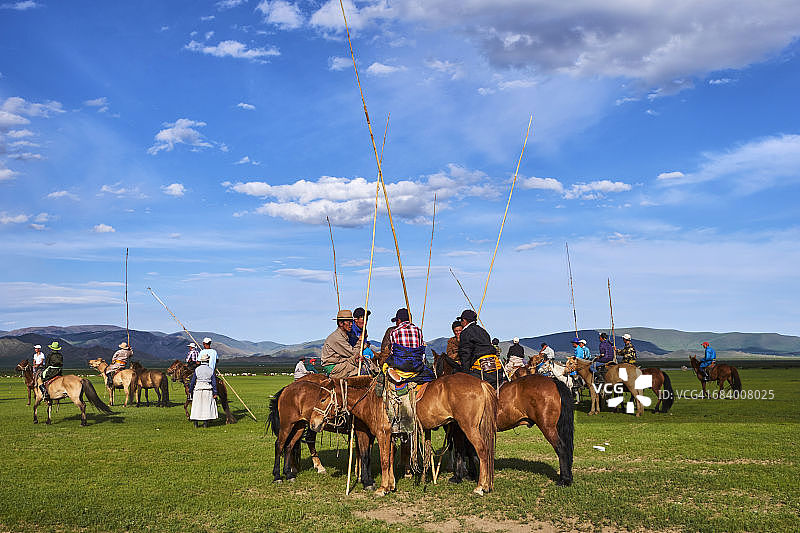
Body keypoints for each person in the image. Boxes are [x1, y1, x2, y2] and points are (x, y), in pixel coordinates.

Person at [457, 309, 504, 388]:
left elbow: (465, 354)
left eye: (461, 320)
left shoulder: (465, 333)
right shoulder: (483, 331)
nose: (461, 323)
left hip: (481, 371)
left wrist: (464, 374)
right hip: (497, 369)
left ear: (464, 321)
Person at [321, 310, 362, 379]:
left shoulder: (345, 335)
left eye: (351, 322)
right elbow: (353, 353)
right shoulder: (337, 337)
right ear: (341, 323)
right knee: (362, 370)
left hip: (341, 362)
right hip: (334, 367)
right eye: (348, 322)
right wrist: (360, 342)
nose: (351, 324)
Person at [189, 351, 218, 428]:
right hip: (207, 390)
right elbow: (214, 383)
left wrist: (190, 391)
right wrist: (215, 393)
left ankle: (196, 423)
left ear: (201, 360)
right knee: (205, 406)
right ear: (208, 361)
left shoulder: (197, 370)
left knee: (196, 406)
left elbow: (192, 382)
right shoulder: (211, 370)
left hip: (198, 389)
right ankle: (205, 424)